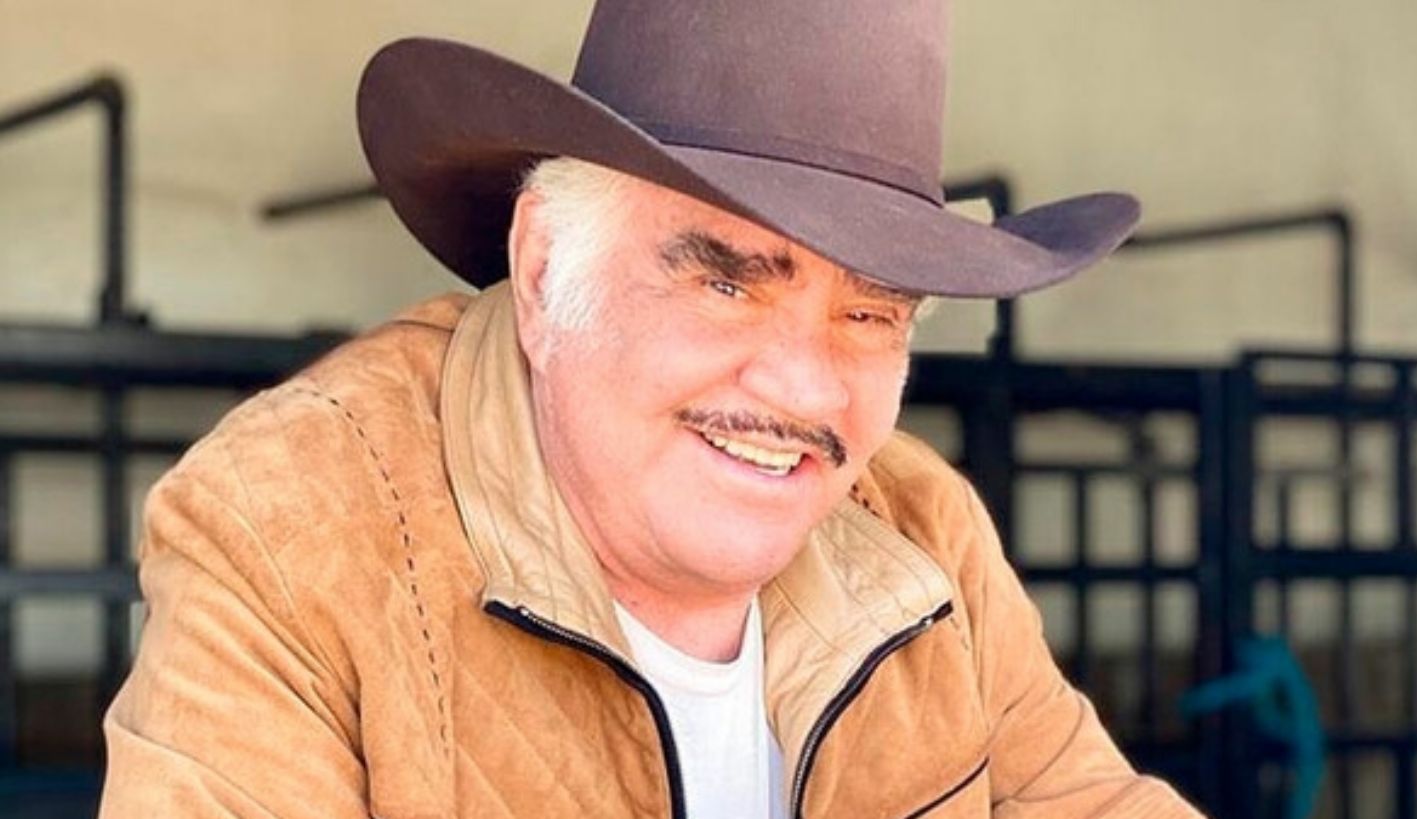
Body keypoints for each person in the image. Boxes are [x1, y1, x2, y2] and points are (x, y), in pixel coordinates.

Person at [101, 0, 1203, 816]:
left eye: (870, 315)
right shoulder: (290, 528)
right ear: (544, 271)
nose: (804, 389)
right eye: (726, 283)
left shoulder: (922, 532)